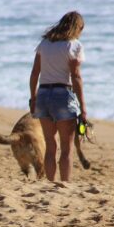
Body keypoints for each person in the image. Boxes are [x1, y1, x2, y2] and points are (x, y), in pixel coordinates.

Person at [29, 11, 88, 182]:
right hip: (63, 95)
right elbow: (76, 77)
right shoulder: (74, 46)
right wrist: (83, 108)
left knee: (50, 146)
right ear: (77, 27)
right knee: (66, 148)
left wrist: (33, 99)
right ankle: (64, 185)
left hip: (43, 94)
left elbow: (34, 74)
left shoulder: (44, 44)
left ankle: (50, 183)